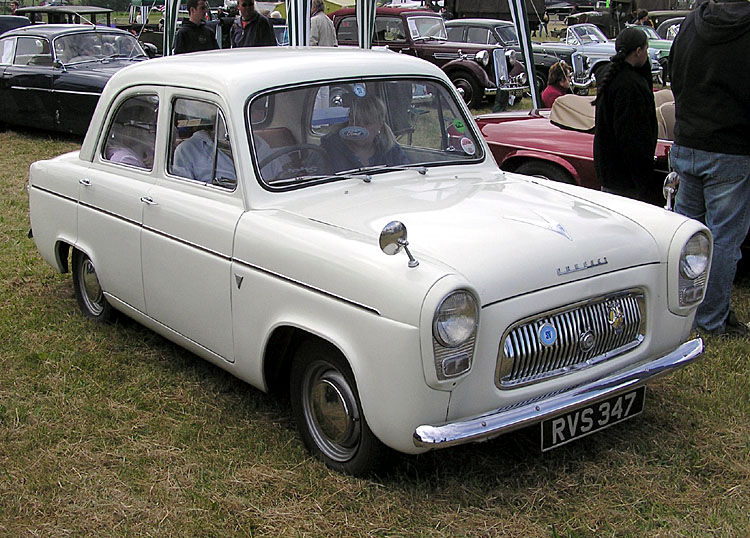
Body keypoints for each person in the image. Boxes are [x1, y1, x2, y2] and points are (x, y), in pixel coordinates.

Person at [669, 0, 750, 337]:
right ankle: (710, 321)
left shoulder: (690, 22)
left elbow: (673, 74)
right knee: (721, 240)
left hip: (688, 141)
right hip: (728, 148)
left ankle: (680, 314)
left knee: (685, 237)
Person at [592, 27, 657, 203]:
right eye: (646, 49)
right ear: (638, 51)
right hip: (625, 175)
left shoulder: (610, 76)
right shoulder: (630, 87)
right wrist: (642, 177)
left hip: (608, 167)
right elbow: (632, 136)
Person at [321, 94, 407, 173]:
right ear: (349, 122)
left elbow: (406, 177)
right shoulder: (329, 148)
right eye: (356, 121)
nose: (360, 128)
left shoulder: (390, 150)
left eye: (367, 123)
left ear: (379, 124)